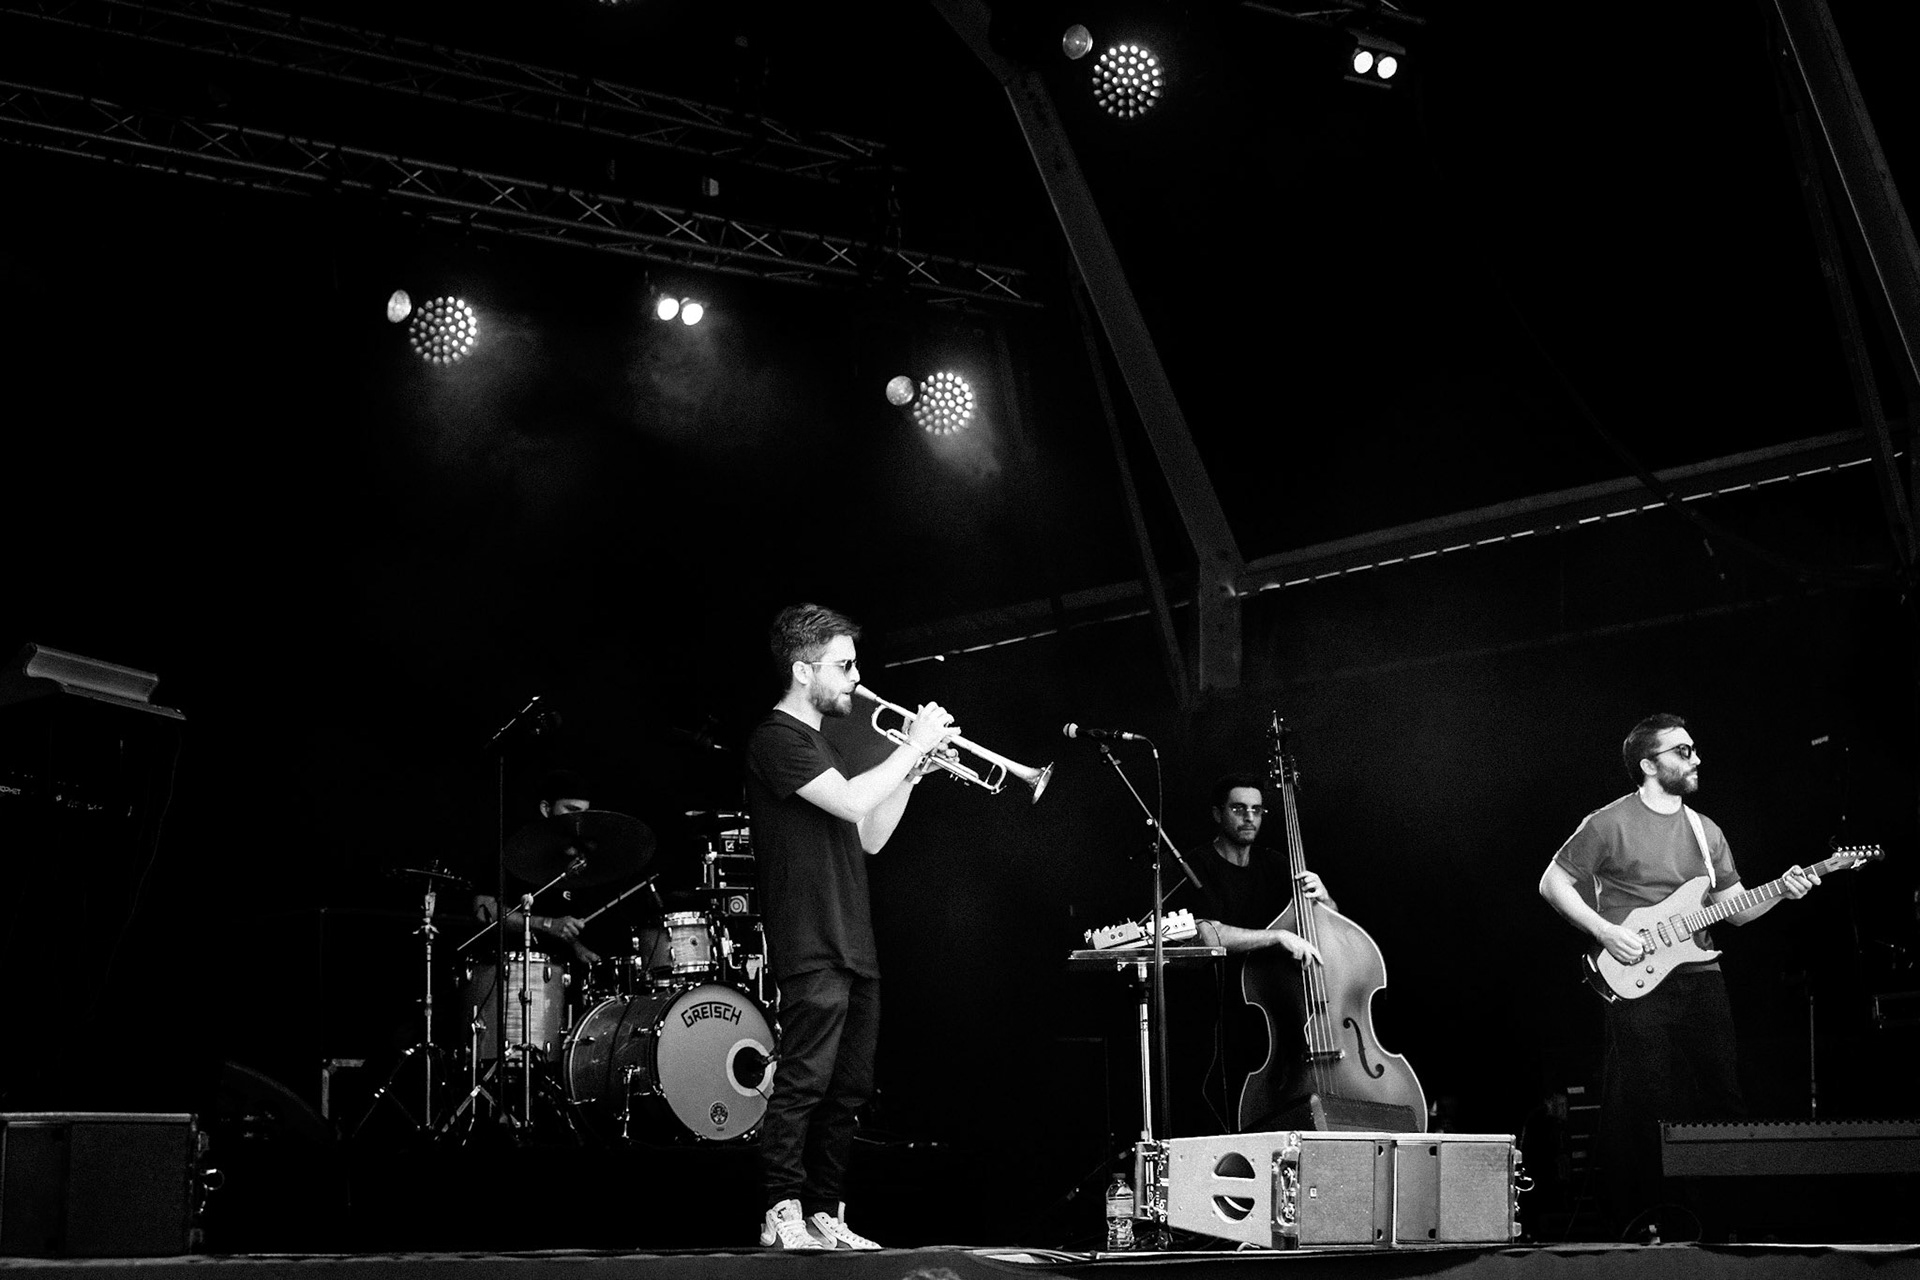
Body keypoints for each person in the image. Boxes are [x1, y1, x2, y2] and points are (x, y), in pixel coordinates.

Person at [1538, 713, 1818, 1239]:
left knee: (1724, 1095)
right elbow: (1553, 883)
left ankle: (1727, 1222)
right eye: (1682, 750)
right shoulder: (1607, 823)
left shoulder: (1706, 829)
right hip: (1637, 975)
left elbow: (1733, 910)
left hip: (1702, 975)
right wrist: (1605, 932)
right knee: (1650, 1101)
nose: (1695, 758)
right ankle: (1657, 1223)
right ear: (1649, 764)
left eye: (1694, 749)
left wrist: (1781, 888)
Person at [745, 603, 957, 1251]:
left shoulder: (827, 745)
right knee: (805, 1079)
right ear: (803, 669)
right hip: (809, 934)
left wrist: (912, 776)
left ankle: (823, 1210)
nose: (856, 679)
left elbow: (867, 834)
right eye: (843, 666)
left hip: (853, 937)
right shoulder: (776, 738)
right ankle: (779, 1209)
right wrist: (913, 745)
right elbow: (848, 800)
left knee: (849, 1088)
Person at [1170, 773, 1336, 1132]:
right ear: (1218, 814)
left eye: (1257, 810)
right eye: (1239, 808)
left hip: (1278, 1011)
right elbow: (1204, 933)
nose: (1249, 817)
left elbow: (1327, 932)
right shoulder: (1196, 867)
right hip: (1215, 1015)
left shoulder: (1276, 865)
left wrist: (1325, 900)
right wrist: (1276, 936)